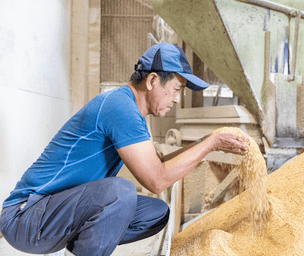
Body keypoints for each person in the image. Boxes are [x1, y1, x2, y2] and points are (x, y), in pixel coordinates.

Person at [0, 43, 249, 256]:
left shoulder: (129, 109)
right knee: (120, 192)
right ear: (152, 80)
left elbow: (157, 162)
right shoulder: (119, 107)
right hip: (26, 216)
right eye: (176, 89)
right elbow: (157, 179)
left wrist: (201, 141)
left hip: (52, 215)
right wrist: (211, 145)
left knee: (156, 212)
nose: (176, 99)